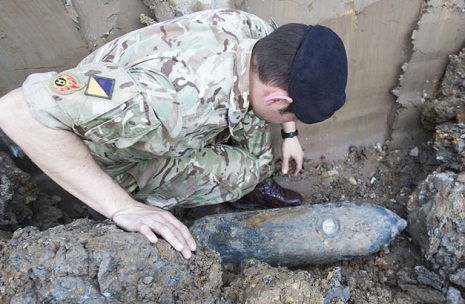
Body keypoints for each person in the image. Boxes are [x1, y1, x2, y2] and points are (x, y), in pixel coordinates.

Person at [0, 9, 347, 259]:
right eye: (291, 112)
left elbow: (284, 75)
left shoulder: (256, 33)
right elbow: (15, 111)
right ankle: (102, 201)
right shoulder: (159, 104)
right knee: (242, 170)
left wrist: (289, 132)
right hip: (99, 148)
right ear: (278, 98)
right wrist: (122, 208)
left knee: (257, 152)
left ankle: (250, 183)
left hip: (180, 115)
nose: (289, 120)